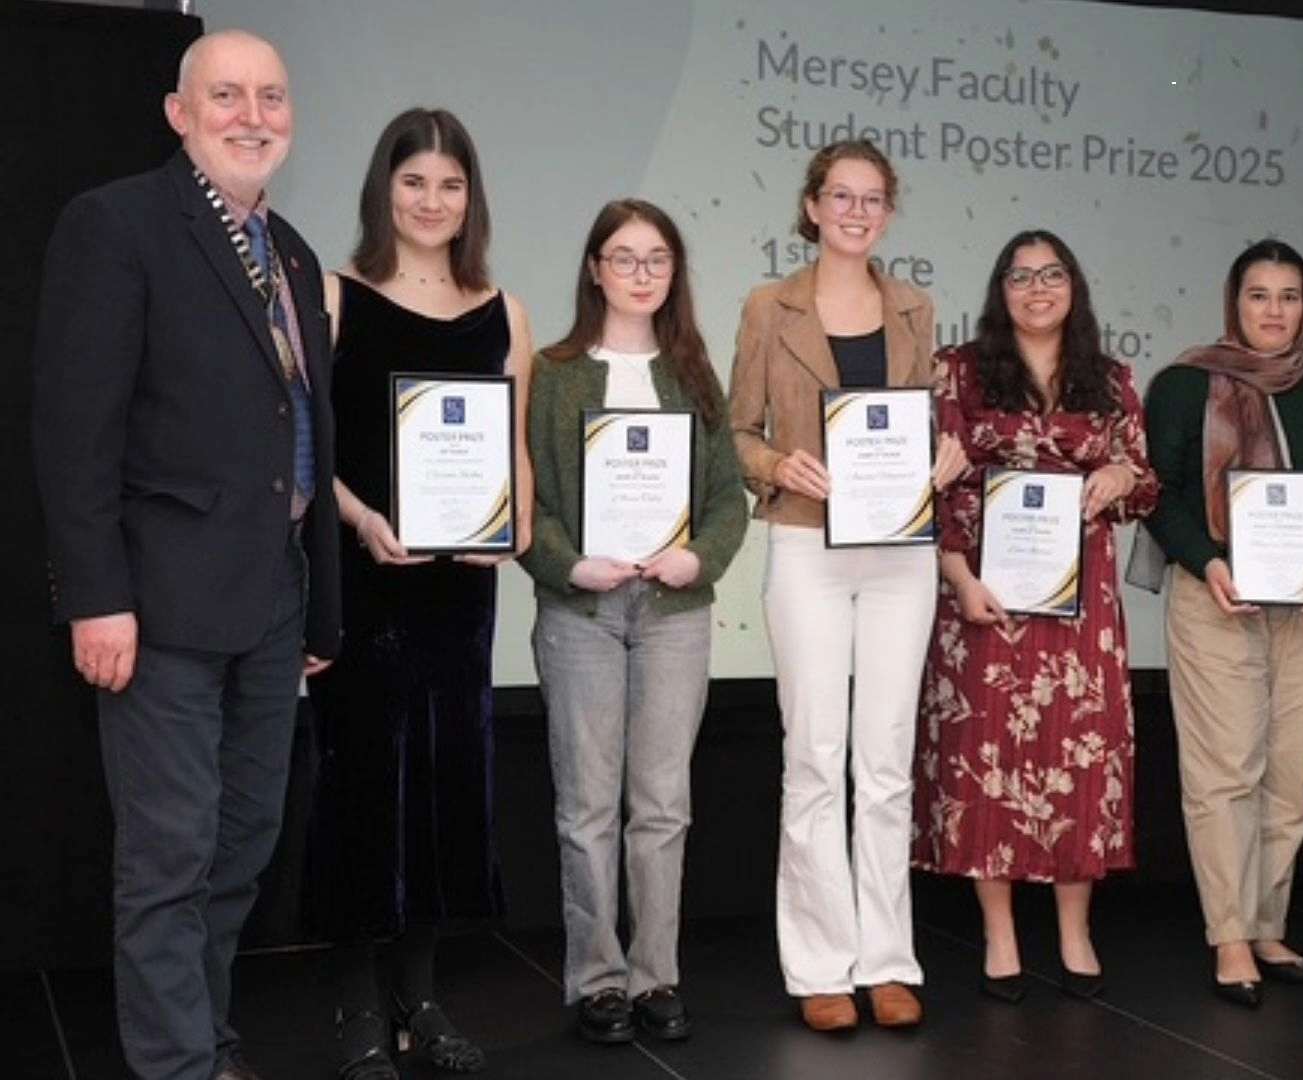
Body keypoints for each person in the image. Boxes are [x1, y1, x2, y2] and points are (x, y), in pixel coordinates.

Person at [31, 29, 341, 1080]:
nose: (253, 116)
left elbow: (305, 428)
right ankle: (176, 1067)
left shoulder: (291, 252)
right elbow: (75, 431)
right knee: (170, 855)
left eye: (272, 97)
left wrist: (320, 608)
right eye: (227, 96)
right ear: (179, 112)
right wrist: (94, 597)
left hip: (273, 598)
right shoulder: (117, 225)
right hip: (156, 603)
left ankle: (205, 1042)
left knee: (243, 843)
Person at [304, 108, 533, 1078]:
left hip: (457, 596)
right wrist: (361, 519)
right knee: (363, 786)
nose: (432, 202)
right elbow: (304, 444)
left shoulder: (502, 311)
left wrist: (513, 528)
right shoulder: (334, 296)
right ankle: (358, 1005)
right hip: (364, 582)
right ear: (383, 190)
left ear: (470, 197)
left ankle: (423, 1001)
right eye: (413, 183)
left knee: (444, 786)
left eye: (449, 184)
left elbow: (514, 451)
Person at [729, 139, 966, 1032]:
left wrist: (944, 456)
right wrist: (774, 464)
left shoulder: (914, 307)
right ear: (813, 206)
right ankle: (821, 965)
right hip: (805, 545)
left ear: (888, 213)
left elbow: (921, 425)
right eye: (841, 196)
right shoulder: (769, 306)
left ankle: (888, 961)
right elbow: (736, 432)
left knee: (887, 762)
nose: (856, 212)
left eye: (872, 199)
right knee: (815, 756)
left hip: (902, 552)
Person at [910, 230, 1160, 1003]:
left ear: (1073, 287)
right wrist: (958, 577)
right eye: (1020, 277)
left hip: (1081, 608)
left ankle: (1076, 932)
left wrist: (1119, 473)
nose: (1037, 288)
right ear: (1000, 290)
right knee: (987, 760)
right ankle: (1000, 935)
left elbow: (1145, 481)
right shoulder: (957, 370)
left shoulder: (1111, 379)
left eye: (1052, 275)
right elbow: (935, 485)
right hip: (984, 596)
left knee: (1079, 761)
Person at [521, 199, 747, 1044]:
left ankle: (656, 976)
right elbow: (528, 500)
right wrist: (567, 563)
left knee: (662, 805)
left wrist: (701, 557)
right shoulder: (553, 373)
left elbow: (727, 498)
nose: (641, 274)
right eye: (624, 257)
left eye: (657, 259)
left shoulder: (693, 373)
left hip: (674, 610)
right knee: (586, 807)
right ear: (595, 268)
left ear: (673, 272)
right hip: (581, 608)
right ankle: (597, 980)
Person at [1142, 240, 1303, 1007]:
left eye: (1289, 296)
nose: (1275, 311)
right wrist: (1208, 561)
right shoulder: (1183, 385)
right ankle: (1231, 934)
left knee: (1289, 774)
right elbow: (1158, 492)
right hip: (1215, 599)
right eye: (1259, 295)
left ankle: (1268, 922)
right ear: (1233, 302)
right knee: (1225, 772)